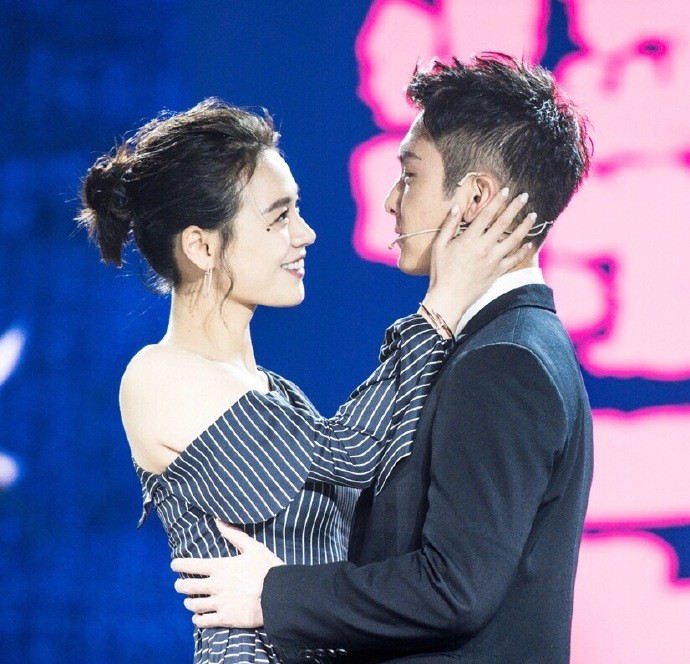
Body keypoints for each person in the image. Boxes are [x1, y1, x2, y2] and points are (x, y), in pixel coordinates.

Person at [172, 54, 594, 664]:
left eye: (410, 175)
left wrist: (274, 594)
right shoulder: (499, 344)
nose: (392, 200)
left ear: (474, 196)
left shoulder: (504, 360)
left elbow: (454, 588)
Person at [77, 98, 533, 663]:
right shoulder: (160, 375)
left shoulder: (274, 391)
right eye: (279, 218)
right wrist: (441, 306)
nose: (306, 234)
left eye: (297, 211)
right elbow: (355, 453)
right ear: (201, 246)